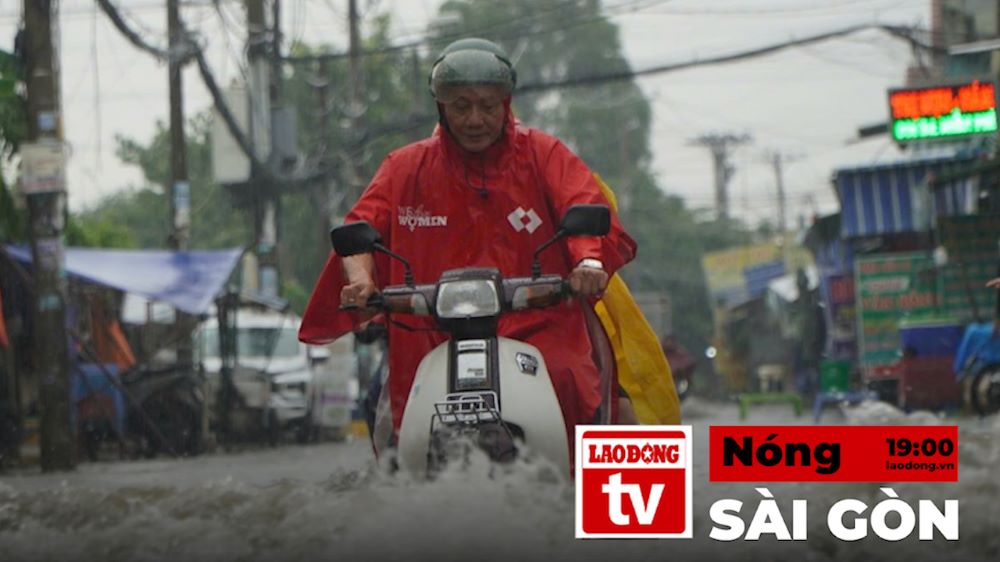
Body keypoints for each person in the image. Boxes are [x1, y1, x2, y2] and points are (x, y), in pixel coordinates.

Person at [298, 38, 637, 455]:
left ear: (506, 103)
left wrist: (586, 262)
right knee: (385, 413)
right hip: (430, 328)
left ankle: (617, 507)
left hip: (540, 322)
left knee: (580, 383)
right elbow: (360, 229)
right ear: (441, 106)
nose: (475, 119)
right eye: (461, 106)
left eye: (488, 105)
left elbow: (582, 205)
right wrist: (362, 281)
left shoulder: (543, 154)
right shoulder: (404, 167)